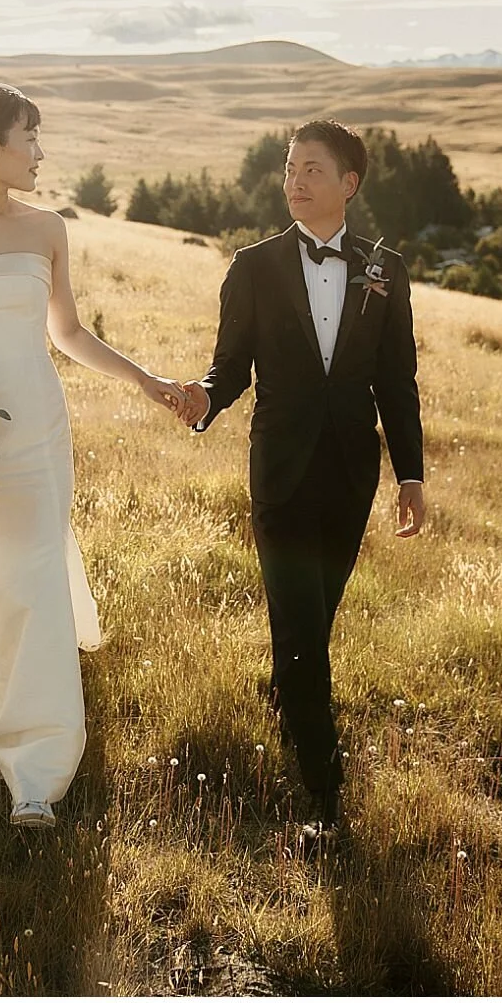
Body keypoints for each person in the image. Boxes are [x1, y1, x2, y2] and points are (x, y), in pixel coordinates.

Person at [0, 82, 191, 829]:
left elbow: (69, 334)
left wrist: (146, 380)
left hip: (39, 431)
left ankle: (37, 764)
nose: (40, 153)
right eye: (31, 136)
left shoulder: (49, 228)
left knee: (33, 569)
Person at [172, 119, 425, 842]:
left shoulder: (385, 269)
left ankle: (287, 698)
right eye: (290, 167)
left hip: (352, 475)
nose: (295, 180)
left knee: (316, 616)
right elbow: (231, 365)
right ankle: (324, 791)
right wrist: (203, 400)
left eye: (312, 169)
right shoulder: (252, 267)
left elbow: (395, 381)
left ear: (349, 184)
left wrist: (410, 473)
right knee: (305, 628)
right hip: (278, 473)